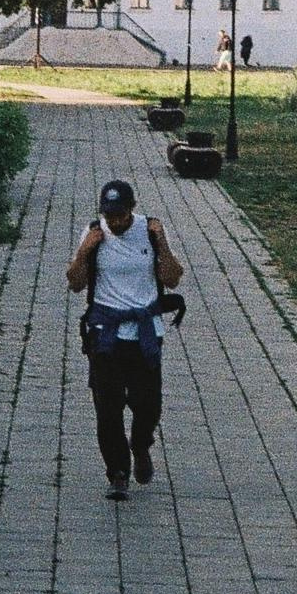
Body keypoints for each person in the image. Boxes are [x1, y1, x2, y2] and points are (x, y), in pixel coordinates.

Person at [66, 175, 185, 501]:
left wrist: (162, 245)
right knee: (108, 406)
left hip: (145, 331)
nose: (114, 222)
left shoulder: (149, 230)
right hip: (105, 332)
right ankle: (117, 472)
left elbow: (172, 279)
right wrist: (83, 251)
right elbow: (75, 284)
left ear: (132, 209)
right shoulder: (94, 233)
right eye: (109, 215)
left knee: (149, 404)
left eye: (120, 215)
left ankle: (141, 442)